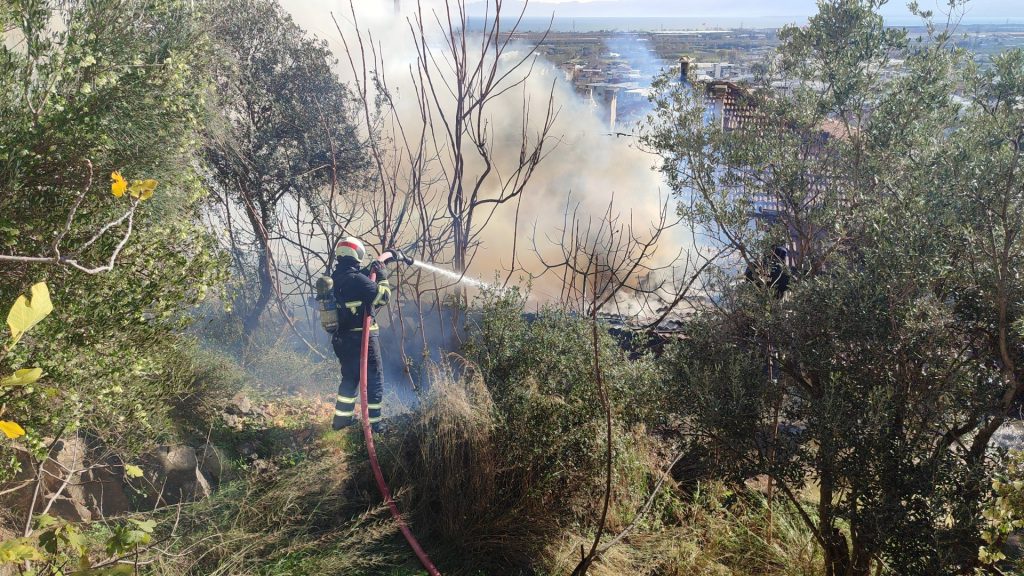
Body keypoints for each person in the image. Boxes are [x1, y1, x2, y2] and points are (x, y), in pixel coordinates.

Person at [329, 237, 404, 432]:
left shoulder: (335, 277)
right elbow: (383, 297)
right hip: (363, 339)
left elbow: (358, 284)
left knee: (350, 377)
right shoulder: (357, 280)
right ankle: (374, 425)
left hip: (342, 339)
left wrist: (375, 266)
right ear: (357, 254)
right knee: (374, 378)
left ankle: (341, 421)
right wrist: (383, 275)